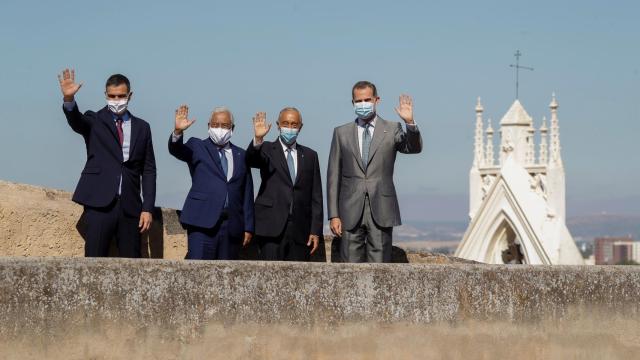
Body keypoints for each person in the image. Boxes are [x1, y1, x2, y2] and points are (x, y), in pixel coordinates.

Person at [58, 68, 156, 257]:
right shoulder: (94, 120)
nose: (116, 100)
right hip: (99, 204)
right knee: (94, 261)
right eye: (112, 96)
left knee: (132, 266)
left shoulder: (143, 127)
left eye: (121, 96)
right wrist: (69, 100)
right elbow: (76, 121)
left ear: (130, 96)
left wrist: (147, 208)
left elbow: (149, 169)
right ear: (105, 95)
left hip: (130, 206)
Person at [327, 81, 422, 263]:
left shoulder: (393, 128)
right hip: (349, 210)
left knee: (380, 269)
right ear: (353, 103)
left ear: (377, 100)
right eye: (359, 100)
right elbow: (333, 175)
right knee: (349, 269)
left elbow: (413, 148)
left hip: (382, 208)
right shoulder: (341, 133)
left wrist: (409, 123)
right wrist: (333, 214)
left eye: (367, 99)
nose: (363, 104)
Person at [169, 105, 254, 260]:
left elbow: (246, 192)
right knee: (198, 274)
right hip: (202, 222)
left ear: (232, 128)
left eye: (224, 125)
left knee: (227, 277)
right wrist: (178, 132)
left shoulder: (241, 154)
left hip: (231, 226)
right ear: (209, 126)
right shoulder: (197, 146)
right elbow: (177, 149)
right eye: (215, 125)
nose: (219, 129)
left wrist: (248, 226)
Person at [246, 108, 323, 261]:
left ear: (300, 127)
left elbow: (316, 195)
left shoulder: (310, 155)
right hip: (271, 227)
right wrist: (258, 139)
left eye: (294, 124)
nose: (290, 128)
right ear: (278, 125)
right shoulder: (266, 148)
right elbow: (251, 160)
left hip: (300, 229)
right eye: (286, 123)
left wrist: (315, 230)